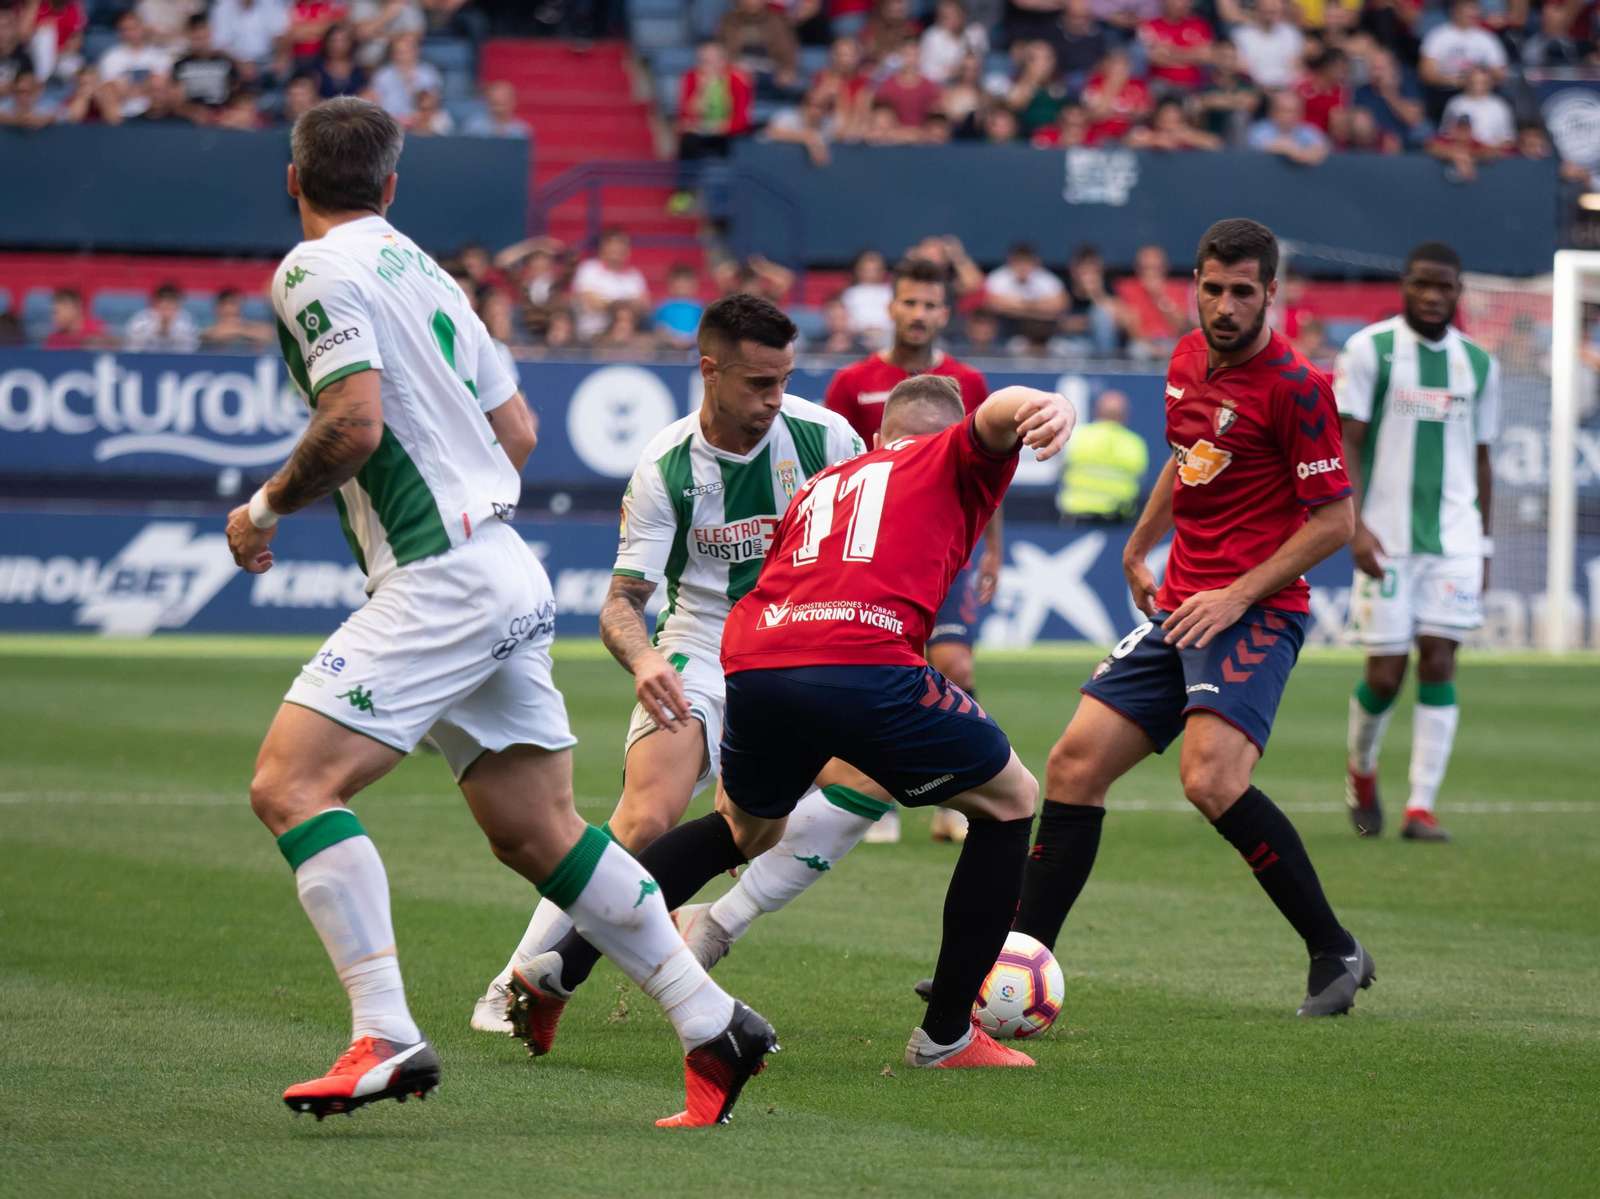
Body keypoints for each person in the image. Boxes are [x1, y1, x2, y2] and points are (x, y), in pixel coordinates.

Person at [224, 96, 773, 1129]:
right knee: (538, 831)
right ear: (392, 187)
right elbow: (515, 429)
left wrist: (260, 511)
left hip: (442, 575)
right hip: (504, 566)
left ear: (292, 181)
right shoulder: (428, 273)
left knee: (291, 784)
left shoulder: (311, 269)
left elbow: (351, 423)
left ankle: (384, 1031)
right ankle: (714, 1021)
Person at [622, 375, 1075, 1072]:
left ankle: (558, 962)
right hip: (860, 658)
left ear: (878, 435)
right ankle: (946, 1036)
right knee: (1012, 799)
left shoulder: (824, 482)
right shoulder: (944, 459)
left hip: (758, 656)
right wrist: (1048, 405)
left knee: (745, 827)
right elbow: (996, 416)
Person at [465, 295, 872, 1054]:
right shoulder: (667, 465)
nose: (775, 399)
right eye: (758, 383)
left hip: (802, 645)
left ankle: (714, 923)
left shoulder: (827, 438)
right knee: (646, 817)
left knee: (862, 784)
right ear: (710, 370)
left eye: (784, 380)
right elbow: (622, 601)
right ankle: (516, 977)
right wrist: (646, 656)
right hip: (702, 647)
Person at [995, 218, 1375, 1020]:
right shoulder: (1184, 359)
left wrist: (1238, 594)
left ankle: (1334, 947)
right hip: (1181, 607)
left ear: (1270, 293)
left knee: (1210, 779)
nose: (1226, 306)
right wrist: (1139, 546)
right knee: (1072, 764)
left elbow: (1336, 520)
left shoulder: (1298, 386)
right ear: (1195, 284)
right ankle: (1013, 967)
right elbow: (1186, 457)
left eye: (1243, 292)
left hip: (1255, 611)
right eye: (1213, 289)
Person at [824, 256, 1005, 845]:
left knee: (955, 666)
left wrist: (992, 549)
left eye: (930, 304)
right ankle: (877, 799)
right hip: (869, 557)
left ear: (945, 313)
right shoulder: (852, 383)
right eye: (909, 302)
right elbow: (834, 469)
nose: (918, 313)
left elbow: (987, 469)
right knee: (879, 671)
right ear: (891, 307)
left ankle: (956, 799)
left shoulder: (968, 383)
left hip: (945, 554)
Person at [1337, 242, 1499, 843]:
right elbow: (1347, 441)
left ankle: (1421, 807)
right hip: (1385, 537)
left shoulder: (1479, 364)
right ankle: (1361, 771)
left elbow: (1482, 458)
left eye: (1444, 286)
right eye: (1422, 284)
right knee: (1384, 675)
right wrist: (1354, 524)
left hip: (1455, 538)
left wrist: (1483, 543)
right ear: (1403, 284)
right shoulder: (1369, 349)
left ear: (1459, 292)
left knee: (1439, 656)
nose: (1433, 296)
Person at [1057, 388, 1148, 520]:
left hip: (1078, 514)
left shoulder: (1078, 436)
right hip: (1118, 517)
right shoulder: (1134, 443)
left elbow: (1060, 469)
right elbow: (1140, 478)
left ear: (1096, 412)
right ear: (1124, 416)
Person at [1419, 0, 1507, 118]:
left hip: (1480, 92)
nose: (1469, 13)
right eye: (1465, 9)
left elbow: (1500, 74)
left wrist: (1477, 78)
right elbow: (1426, 73)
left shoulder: (1487, 38)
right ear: (1454, 11)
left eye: (1472, 9)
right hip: (1446, 92)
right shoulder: (1438, 36)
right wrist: (1458, 80)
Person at [571, 228, 650, 343]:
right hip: (593, 333)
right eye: (612, 245)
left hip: (627, 336)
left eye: (621, 245)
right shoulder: (589, 269)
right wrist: (624, 308)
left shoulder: (635, 275)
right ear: (603, 248)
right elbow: (592, 303)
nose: (616, 249)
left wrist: (610, 305)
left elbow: (644, 304)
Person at [1139, 0, 1214, 97]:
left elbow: (1206, 57)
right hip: (1160, 83)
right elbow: (1155, 58)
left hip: (1192, 85)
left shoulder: (1200, 25)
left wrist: (1170, 53)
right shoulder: (1150, 26)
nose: (1181, 4)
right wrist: (1193, 54)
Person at [1230, 0, 1303, 91]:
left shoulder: (1290, 33)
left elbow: (1295, 66)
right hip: (1256, 89)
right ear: (1256, 9)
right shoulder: (1241, 35)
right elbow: (1244, 69)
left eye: (1273, 11)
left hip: (1286, 88)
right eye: (1265, 10)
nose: (1269, 15)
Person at [172, 13, 239, 113]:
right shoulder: (180, 66)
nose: (200, 43)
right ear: (188, 37)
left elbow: (236, 94)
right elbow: (175, 100)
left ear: (210, 35)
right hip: (188, 116)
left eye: (203, 37)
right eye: (196, 38)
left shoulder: (225, 64)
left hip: (221, 114)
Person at [1439, 64, 1514, 150]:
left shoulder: (1500, 106)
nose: (1477, 86)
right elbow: (1446, 134)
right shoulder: (1455, 104)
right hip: (1462, 151)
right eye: (1473, 82)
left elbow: (1508, 138)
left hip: (1492, 153)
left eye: (1482, 82)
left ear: (1490, 83)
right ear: (1467, 82)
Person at [1248, 90, 1332, 166]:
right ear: (1272, 112)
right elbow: (1262, 144)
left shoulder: (1306, 130)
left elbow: (1323, 146)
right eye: (1284, 110)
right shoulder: (1259, 129)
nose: (1289, 116)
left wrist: (1313, 152)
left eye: (1294, 111)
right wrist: (1295, 152)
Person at [369, 30, 438, 119]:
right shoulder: (383, 75)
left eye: (404, 52)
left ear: (415, 52)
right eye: (397, 53)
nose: (400, 57)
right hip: (392, 120)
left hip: (421, 120)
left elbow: (431, 104)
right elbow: (376, 102)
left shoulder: (428, 73)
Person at [920, 0, 987, 85]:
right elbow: (929, 73)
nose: (954, 18)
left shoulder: (976, 33)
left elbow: (980, 65)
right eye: (947, 16)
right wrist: (956, 71)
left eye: (956, 14)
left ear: (964, 14)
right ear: (939, 19)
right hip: (941, 86)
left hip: (972, 83)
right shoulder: (931, 37)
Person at [124, 283, 201, 352]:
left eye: (170, 303)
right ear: (155, 303)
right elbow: (131, 348)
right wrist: (158, 327)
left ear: (178, 304)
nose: (166, 307)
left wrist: (169, 328)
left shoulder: (187, 321)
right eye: (163, 303)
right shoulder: (140, 320)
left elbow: (192, 350)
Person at [1125, 95, 1224, 149]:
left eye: (1173, 114)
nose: (1168, 118)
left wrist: (1188, 137)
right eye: (1165, 114)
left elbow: (1216, 143)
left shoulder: (1185, 133)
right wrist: (1154, 140)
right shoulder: (1146, 131)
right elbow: (1128, 141)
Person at [202, 288, 274, 351]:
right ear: (219, 307)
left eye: (238, 305)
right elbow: (206, 335)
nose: (234, 310)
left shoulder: (245, 326)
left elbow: (269, 334)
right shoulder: (208, 325)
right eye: (232, 304)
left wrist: (238, 330)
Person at [654, 264, 706, 350]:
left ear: (694, 285)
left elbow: (702, 328)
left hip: (694, 346)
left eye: (686, 283)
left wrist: (690, 340)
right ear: (670, 285)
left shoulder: (700, 307)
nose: (682, 286)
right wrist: (673, 340)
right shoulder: (662, 307)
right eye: (678, 283)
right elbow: (659, 329)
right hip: (669, 347)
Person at [462, 79, 532, 137]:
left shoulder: (522, 130)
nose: (499, 110)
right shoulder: (474, 128)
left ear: (513, 103)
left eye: (503, 104)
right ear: (486, 103)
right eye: (495, 104)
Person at [41, 287, 107, 349]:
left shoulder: (97, 333)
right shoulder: (53, 340)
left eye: (57, 312)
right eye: (52, 313)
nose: (54, 318)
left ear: (74, 310)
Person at [312, 22, 365, 97]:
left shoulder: (361, 70)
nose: (336, 45)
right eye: (333, 40)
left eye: (342, 41)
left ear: (351, 43)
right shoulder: (315, 68)